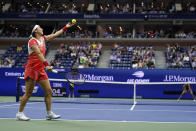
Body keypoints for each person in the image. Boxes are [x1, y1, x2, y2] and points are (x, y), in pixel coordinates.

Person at [16, 23, 74, 121]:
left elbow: (55, 35)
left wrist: (65, 27)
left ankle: (49, 113)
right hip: (32, 70)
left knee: (49, 91)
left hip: (40, 70)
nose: (42, 28)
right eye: (40, 28)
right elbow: (38, 53)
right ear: (35, 31)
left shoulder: (43, 38)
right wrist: (47, 64)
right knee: (28, 93)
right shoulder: (32, 41)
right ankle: (20, 113)